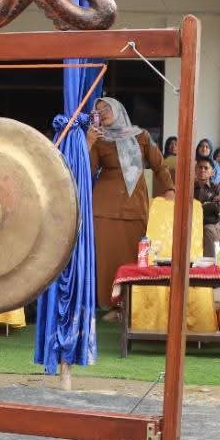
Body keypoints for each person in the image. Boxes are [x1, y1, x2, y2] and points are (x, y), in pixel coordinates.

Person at [89, 96, 173, 320]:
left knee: (135, 256)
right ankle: (113, 306)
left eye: (107, 108)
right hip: (105, 208)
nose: (103, 112)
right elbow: (87, 172)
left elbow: (160, 164)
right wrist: (88, 143)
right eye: (98, 110)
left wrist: (169, 189)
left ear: (118, 109)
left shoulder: (141, 136)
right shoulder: (99, 140)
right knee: (107, 259)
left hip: (135, 205)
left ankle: (133, 304)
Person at [192, 156, 220, 255]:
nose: (202, 170)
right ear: (195, 170)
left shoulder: (218, 188)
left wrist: (197, 207)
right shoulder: (189, 188)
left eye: (206, 168)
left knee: (207, 229)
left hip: (213, 224)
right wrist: (207, 205)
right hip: (192, 223)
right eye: (200, 167)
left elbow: (218, 208)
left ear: (212, 172)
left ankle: (210, 265)